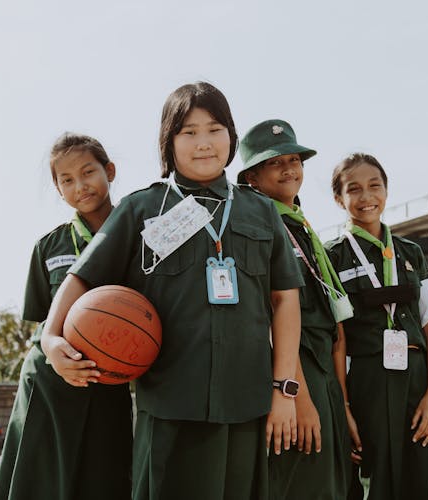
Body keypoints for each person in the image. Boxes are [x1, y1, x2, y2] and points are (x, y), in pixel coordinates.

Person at [39, 82, 304, 500]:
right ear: (169, 141)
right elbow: (82, 277)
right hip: (170, 409)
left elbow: (285, 299)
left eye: (215, 129)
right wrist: (50, 337)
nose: (204, 143)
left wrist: (284, 389)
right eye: (189, 132)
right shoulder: (143, 209)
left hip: (247, 406)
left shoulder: (260, 210)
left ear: (231, 135)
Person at [0, 133, 132, 500]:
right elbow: (41, 319)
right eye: (66, 180)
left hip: (109, 384)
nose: (80, 185)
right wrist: (54, 351)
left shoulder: (140, 239)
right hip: (50, 383)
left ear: (110, 171)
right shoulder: (49, 246)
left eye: (88, 172)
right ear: (58, 189)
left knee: (105, 482)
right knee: (38, 484)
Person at [324, 153, 428, 500]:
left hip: (416, 378)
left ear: (386, 190)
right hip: (367, 378)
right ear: (339, 199)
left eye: (374, 186)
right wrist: (345, 409)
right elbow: (336, 339)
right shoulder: (331, 256)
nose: (367, 197)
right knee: (375, 479)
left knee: (422, 479)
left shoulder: (411, 252)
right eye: (354, 189)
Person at [237, 119, 352, 499]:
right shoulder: (258, 225)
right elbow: (271, 315)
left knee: (332, 482)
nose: (290, 168)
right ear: (252, 176)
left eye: (294, 159)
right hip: (295, 369)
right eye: (275, 162)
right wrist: (297, 396)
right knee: (303, 479)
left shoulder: (300, 224)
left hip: (323, 369)